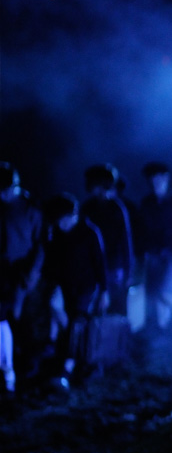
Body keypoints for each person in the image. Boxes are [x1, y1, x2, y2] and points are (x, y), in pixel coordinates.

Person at [42, 193, 109, 388]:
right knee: (65, 322)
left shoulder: (90, 232)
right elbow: (53, 262)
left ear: (73, 215)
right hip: (64, 286)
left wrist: (104, 290)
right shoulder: (58, 234)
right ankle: (67, 355)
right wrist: (53, 283)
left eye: (64, 219)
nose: (61, 224)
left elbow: (100, 262)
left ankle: (68, 368)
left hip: (86, 288)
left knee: (77, 322)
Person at [1, 162, 45, 394]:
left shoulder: (30, 210)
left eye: (6, 188)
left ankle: (30, 368)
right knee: (5, 322)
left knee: (25, 323)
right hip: (3, 276)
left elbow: (40, 245)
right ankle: (9, 370)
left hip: (25, 277)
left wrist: (31, 274)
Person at [139, 161, 172, 334]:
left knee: (165, 290)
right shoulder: (146, 202)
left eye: (159, 180)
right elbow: (142, 230)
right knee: (152, 292)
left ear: (166, 180)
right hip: (153, 255)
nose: (156, 184)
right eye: (152, 180)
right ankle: (161, 327)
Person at [81, 163, 133, 317]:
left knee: (113, 309)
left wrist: (128, 271)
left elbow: (126, 240)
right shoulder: (88, 207)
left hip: (113, 267)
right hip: (93, 267)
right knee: (96, 308)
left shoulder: (116, 208)